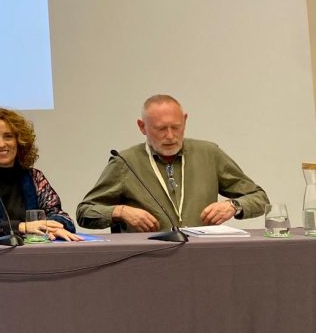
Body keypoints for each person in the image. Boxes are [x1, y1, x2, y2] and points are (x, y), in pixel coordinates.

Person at [76, 94, 270, 232]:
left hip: (202, 257)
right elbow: (85, 212)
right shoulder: (125, 162)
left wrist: (234, 205)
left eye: (176, 127)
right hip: (145, 260)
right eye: (161, 129)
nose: (170, 136)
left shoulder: (209, 154)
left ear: (185, 120)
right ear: (142, 127)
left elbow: (260, 198)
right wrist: (121, 211)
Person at [0, 107, 80, 241]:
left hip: (32, 250)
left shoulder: (35, 177)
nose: (1, 144)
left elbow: (62, 217)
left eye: (8, 137)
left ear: (19, 141)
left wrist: (53, 227)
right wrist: (22, 227)